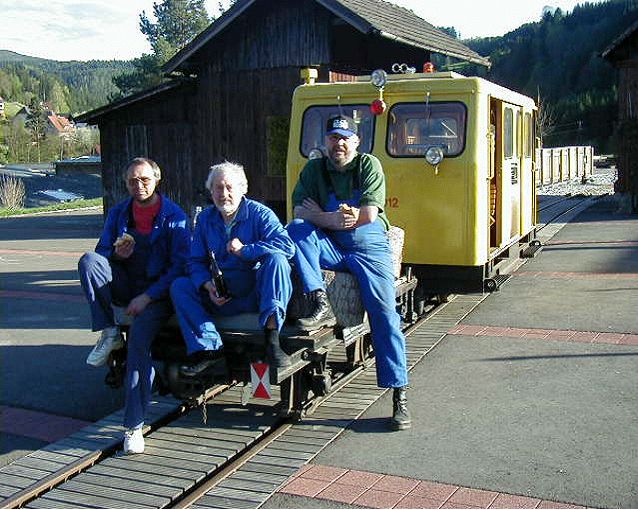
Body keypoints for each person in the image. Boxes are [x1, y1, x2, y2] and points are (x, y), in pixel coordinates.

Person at [287, 115, 411, 430]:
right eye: (333, 137)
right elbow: (299, 212)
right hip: (332, 247)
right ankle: (318, 299)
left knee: (384, 314)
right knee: (297, 229)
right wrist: (332, 220)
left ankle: (399, 393)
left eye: (345, 138)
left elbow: (368, 215)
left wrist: (321, 215)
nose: (338, 143)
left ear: (356, 141)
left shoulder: (368, 165)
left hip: (369, 249)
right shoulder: (314, 170)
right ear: (325, 141)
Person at [78, 157, 190, 454]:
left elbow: (181, 266)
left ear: (157, 180)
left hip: (158, 295)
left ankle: (133, 427)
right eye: (132, 181)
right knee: (89, 261)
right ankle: (109, 331)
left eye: (144, 180)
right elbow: (102, 252)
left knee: (139, 342)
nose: (138, 185)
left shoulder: (174, 216)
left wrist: (148, 296)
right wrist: (118, 256)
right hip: (126, 285)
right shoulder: (119, 213)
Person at [170, 161, 295, 375]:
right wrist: (207, 285)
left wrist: (246, 250)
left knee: (277, 261)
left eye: (229, 187)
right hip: (221, 295)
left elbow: (286, 246)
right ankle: (210, 351)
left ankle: (272, 341)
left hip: (255, 294)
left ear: (242, 189)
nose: (224, 194)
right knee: (180, 286)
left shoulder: (260, 214)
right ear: (211, 191)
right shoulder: (205, 219)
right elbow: (195, 261)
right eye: (218, 188)